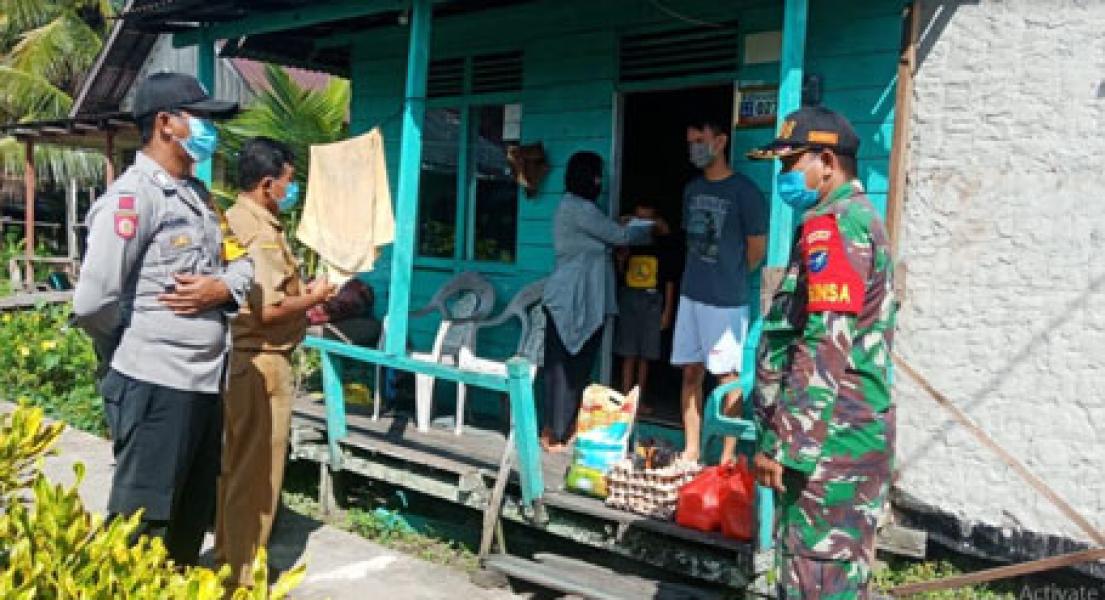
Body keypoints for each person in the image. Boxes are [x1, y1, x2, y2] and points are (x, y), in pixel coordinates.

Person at [72, 72, 246, 566]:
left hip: (203, 381)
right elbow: (92, 302)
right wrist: (124, 351)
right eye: (202, 118)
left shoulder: (198, 197)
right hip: (154, 381)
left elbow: (242, 262)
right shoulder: (133, 199)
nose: (210, 129)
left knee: (190, 518)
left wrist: (222, 287)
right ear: (167, 124)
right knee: (143, 522)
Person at [747, 106, 897, 598]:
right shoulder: (849, 220)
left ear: (827, 162)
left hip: (829, 452)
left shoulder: (833, 227)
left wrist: (786, 442)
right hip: (836, 446)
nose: (784, 177)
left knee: (817, 581)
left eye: (790, 165)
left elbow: (825, 341)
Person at [214, 137, 336, 588]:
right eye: (288, 181)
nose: (291, 189)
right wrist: (315, 297)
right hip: (263, 361)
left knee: (237, 470)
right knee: (259, 476)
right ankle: (242, 577)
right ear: (268, 183)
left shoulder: (240, 219)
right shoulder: (259, 232)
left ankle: (229, 561)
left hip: (244, 359)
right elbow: (266, 309)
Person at [541, 151, 664, 452]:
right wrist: (653, 225)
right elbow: (619, 236)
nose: (601, 181)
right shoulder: (577, 208)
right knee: (562, 370)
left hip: (583, 298)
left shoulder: (583, 209)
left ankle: (562, 428)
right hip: (569, 299)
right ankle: (553, 434)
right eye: (597, 175)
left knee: (576, 366)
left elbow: (608, 235)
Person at [673, 118, 767, 464]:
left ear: (721, 140)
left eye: (701, 138)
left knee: (726, 378)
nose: (695, 147)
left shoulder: (745, 193)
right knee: (690, 372)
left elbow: (756, 250)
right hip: (690, 295)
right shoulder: (692, 190)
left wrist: (731, 275)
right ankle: (691, 450)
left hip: (726, 300)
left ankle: (726, 457)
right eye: (690, 141)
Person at [614, 200, 676, 411]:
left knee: (646, 355)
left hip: (652, 300)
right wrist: (621, 259)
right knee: (628, 352)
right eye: (638, 220)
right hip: (629, 298)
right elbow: (621, 274)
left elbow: (669, 279)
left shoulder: (662, 245)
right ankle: (624, 398)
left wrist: (667, 310)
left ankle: (638, 399)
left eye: (646, 221)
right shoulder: (628, 242)